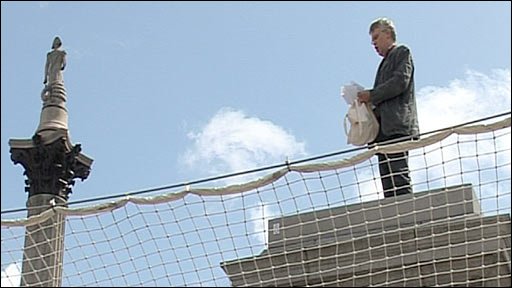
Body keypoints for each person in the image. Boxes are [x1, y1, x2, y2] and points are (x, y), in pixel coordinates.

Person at [357, 17, 419, 198]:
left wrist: (372, 95)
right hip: (383, 132)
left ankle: (407, 215)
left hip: (396, 126)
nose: (374, 44)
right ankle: (394, 218)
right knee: (388, 181)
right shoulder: (384, 64)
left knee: (398, 176)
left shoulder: (402, 52)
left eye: (376, 37)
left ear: (388, 34)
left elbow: (400, 82)